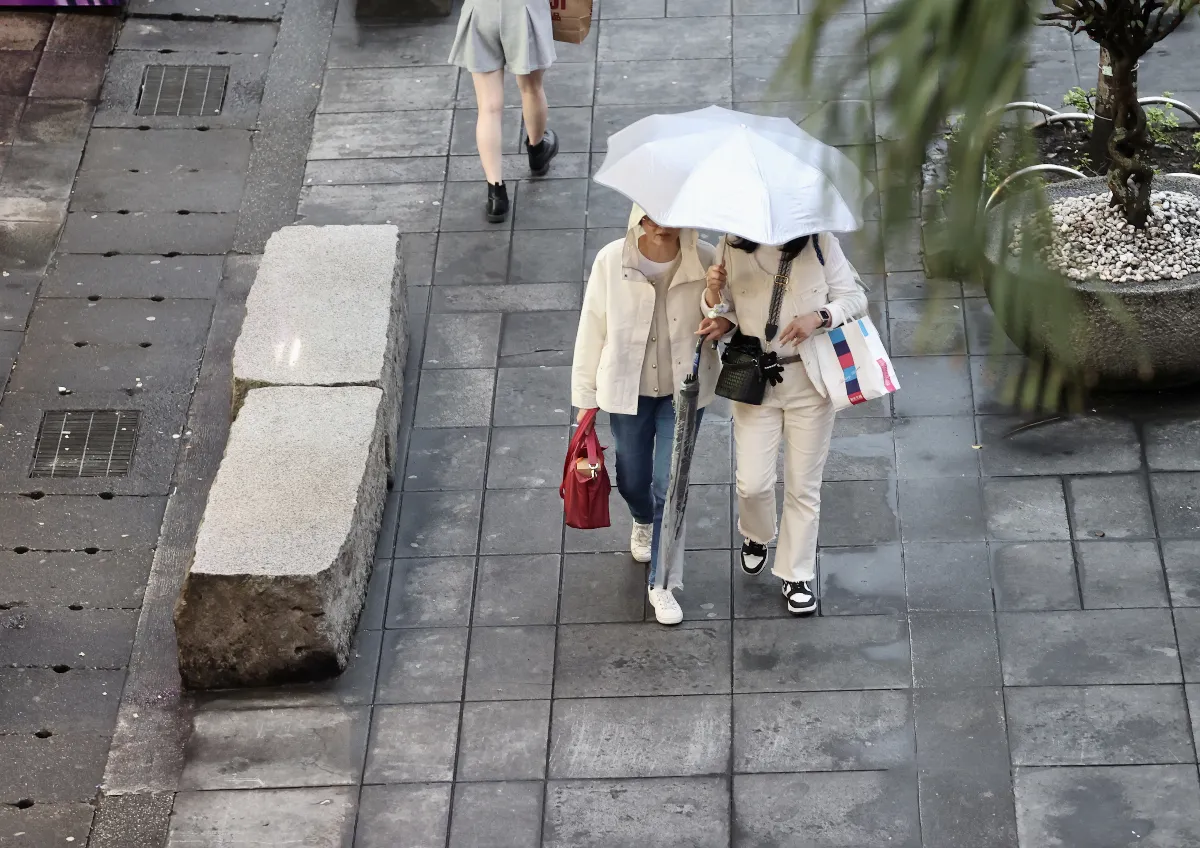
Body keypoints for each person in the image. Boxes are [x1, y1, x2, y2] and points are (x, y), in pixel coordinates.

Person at [572, 206, 733, 625]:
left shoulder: (706, 255)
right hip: (629, 390)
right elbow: (592, 327)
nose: (663, 221)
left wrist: (718, 300)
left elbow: (724, 318)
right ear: (639, 215)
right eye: (653, 212)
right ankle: (642, 519)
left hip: (684, 390)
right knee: (632, 478)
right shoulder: (612, 259)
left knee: (671, 483)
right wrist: (585, 398)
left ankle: (662, 584)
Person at [700, 232, 866, 616]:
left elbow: (856, 298)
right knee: (752, 483)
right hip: (755, 380)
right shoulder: (733, 244)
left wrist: (819, 317)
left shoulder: (821, 243)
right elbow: (726, 310)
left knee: (803, 486)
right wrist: (713, 300)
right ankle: (756, 534)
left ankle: (796, 573)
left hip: (810, 381)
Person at [447, 0, 560, 223]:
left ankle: (496, 194)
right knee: (531, 88)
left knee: (488, 108)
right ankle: (537, 152)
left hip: (480, 10)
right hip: (523, 8)